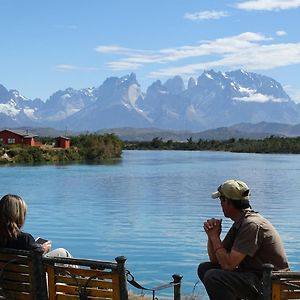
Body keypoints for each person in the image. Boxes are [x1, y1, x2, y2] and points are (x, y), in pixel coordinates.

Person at [198, 179, 289, 300]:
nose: (221, 205)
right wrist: (212, 236)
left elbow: (228, 265)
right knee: (205, 268)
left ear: (228, 202)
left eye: (221, 200)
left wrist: (215, 237)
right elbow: (216, 260)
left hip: (272, 283)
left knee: (213, 277)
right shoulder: (240, 223)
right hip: (257, 277)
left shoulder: (252, 224)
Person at [0, 194, 72, 259]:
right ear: (19, 216)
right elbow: (36, 258)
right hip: (29, 273)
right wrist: (43, 248)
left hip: (6, 272)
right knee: (62, 252)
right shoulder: (25, 239)